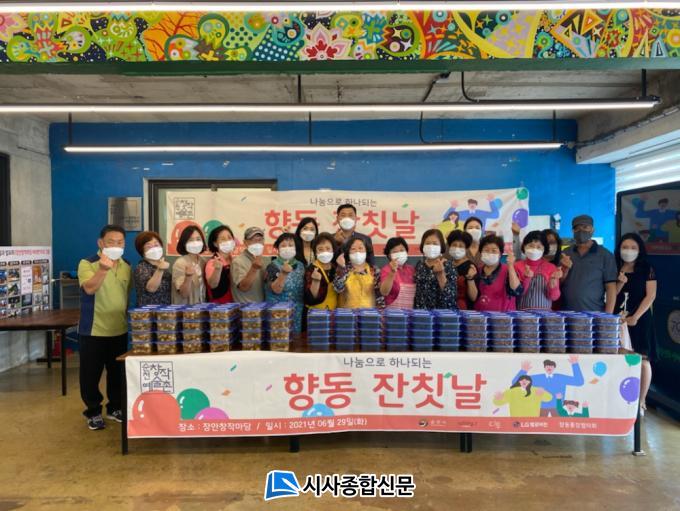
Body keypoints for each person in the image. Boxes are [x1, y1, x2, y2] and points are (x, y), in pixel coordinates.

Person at [77, 225, 131, 430]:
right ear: (101, 243)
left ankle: (115, 407)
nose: (116, 245)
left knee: (117, 373)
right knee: (90, 374)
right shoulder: (87, 263)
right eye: (111, 242)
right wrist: (102, 270)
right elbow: (89, 289)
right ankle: (93, 411)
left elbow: (125, 294)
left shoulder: (126, 265)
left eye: (120, 242)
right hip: (93, 330)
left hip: (119, 328)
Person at [615, 233, 657, 413]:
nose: (629, 251)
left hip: (640, 320)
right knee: (620, 358)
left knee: (643, 359)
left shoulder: (647, 269)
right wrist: (619, 283)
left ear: (640, 250)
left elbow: (651, 295)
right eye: (625, 247)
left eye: (633, 248)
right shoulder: (614, 267)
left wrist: (635, 317)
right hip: (618, 321)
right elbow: (610, 295)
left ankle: (641, 401)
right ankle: (621, 399)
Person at [560, 214, 618, 313]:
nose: (581, 231)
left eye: (585, 227)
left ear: (592, 230)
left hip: (594, 314)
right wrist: (564, 270)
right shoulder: (565, 253)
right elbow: (557, 284)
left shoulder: (605, 255)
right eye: (577, 228)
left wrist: (608, 316)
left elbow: (611, 287)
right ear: (572, 231)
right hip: (566, 313)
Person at [513, 357, 584, 417]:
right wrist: (523, 371)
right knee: (540, 426)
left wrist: (575, 365)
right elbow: (515, 383)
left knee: (558, 426)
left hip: (557, 407)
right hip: (540, 407)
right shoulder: (537, 378)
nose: (549, 367)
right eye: (547, 366)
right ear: (544, 367)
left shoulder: (560, 377)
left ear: (554, 367)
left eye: (551, 366)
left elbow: (579, 382)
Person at [470, 234, 522, 312]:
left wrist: (511, 266)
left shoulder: (508, 270)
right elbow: (473, 297)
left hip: (503, 317)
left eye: (494, 250)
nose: (490, 253)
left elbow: (516, 291)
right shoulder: (477, 271)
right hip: (480, 316)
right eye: (486, 250)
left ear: (500, 254)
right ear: (481, 253)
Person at [265, 233, 305, 333]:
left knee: (296, 340)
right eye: (283, 245)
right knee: (279, 339)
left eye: (291, 245)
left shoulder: (301, 265)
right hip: (278, 313)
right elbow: (276, 289)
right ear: (278, 249)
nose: (287, 248)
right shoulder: (272, 266)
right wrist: (283, 273)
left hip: (297, 312)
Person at [513, 230, 562, 310]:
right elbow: (517, 294)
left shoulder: (551, 267)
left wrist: (553, 286)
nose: (534, 249)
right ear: (524, 246)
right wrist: (527, 278)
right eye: (531, 246)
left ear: (544, 249)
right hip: (522, 314)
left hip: (544, 315)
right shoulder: (517, 266)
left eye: (539, 247)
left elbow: (554, 297)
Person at [333, 237, 384, 309]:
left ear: (366, 251)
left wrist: (381, 311)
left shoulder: (374, 270)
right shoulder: (344, 269)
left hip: (369, 314)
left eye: (360, 248)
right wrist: (341, 268)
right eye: (353, 249)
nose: (357, 252)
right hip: (346, 314)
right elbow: (338, 288)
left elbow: (379, 295)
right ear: (348, 252)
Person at [414, 229, 458, 310]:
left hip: (442, 313)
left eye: (435, 243)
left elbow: (451, 296)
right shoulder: (419, 265)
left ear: (441, 246)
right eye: (427, 243)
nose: (431, 246)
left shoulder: (448, 265)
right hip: (421, 313)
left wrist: (441, 274)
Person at [133, 230, 171, 306]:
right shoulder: (141, 268)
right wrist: (160, 270)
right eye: (149, 246)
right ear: (142, 250)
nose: (154, 249)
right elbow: (151, 288)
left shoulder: (162, 264)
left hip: (165, 309)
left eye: (156, 245)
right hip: (148, 311)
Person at [171, 225, 207, 305]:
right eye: (190, 240)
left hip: (202, 308)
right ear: (184, 243)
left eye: (198, 239)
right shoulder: (180, 263)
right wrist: (188, 277)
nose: (195, 243)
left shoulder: (203, 261)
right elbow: (183, 294)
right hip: (186, 310)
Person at [231, 226, 267, 304]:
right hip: (245, 308)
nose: (257, 243)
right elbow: (243, 287)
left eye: (260, 240)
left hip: (259, 307)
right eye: (253, 240)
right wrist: (254, 269)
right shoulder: (238, 261)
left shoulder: (260, 259)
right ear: (245, 242)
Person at [304, 232, 339, 311]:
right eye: (320, 249)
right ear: (315, 252)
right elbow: (309, 299)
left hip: (334, 312)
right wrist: (315, 282)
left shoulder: (336, 268)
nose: (324, 252)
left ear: (333, 250)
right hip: (316, 313)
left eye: (328, 248)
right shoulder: (311, 269)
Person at [380, 237, 416, 309]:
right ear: (389, 255)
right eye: (395, 252)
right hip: (393, 313)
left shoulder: (412, 270)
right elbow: (384, 292)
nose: (399, 253)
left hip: (410, 312)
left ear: (406, 252)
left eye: (402, 250)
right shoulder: (386, 270)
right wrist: (392, 272)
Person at [205, 225, 236, 304]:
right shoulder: (212, 262)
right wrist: (217, 269)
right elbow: (213, 285)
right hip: (219, 307)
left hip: (235, 304)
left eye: (229, 238)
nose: (227, 241)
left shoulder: (235, 260)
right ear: (215, 243)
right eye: (223, 239)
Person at [447, 230, 476, 310]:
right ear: (449, 246)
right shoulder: (446, 265)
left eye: (461, 246)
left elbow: (473, 297)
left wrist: (470, 278)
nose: (457, 248)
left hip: (464, 310)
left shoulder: (471, 267)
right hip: (446, 308)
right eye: (454, 245)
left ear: (466, 249)